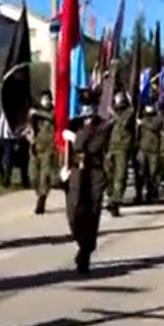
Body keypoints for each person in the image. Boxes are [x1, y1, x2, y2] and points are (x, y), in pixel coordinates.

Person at [61, 88, 109, 274]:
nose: (87, 109)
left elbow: (90, 146)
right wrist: (63, 169)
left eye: (90, 105)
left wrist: (74, 137)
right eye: (84, 105)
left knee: (91, 215)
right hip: (76, 173)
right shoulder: (73, 123)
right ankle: (82, 243)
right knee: (74, 214)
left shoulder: (103, 126)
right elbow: (64, 147)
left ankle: (85, 253)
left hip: (94, 174)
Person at [105, 91, 135, 215]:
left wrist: (113, 114)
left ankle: (116, 202)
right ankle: (111, 197)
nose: (118, 99)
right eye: (116, 97)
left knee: (120, 175)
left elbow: (124, 123)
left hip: (123, 147)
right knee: (109, 175)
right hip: (111, 147)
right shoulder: (110, 111)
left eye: (120, 97)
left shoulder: (129, 112)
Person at [28, 90, 57, 214]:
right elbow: (28, 127)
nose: (45, 101)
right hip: (35, 148)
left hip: (48, 149)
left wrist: (37, 112)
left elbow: (52, 118)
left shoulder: (54, 111)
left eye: (47, 99)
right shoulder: (35, 115)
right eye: (43, 99)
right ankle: (39, 191)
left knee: (44, 177)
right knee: (33, 176)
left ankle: (41, 200)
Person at [135, 102, 164, 205]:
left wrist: (142, 122)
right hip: (142, 149)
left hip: (154, 150)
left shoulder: (158, 117)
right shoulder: (142, 117)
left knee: (153, 174)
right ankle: (139, 194)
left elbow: (155, 126)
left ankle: (151, 194)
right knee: (140, 173)